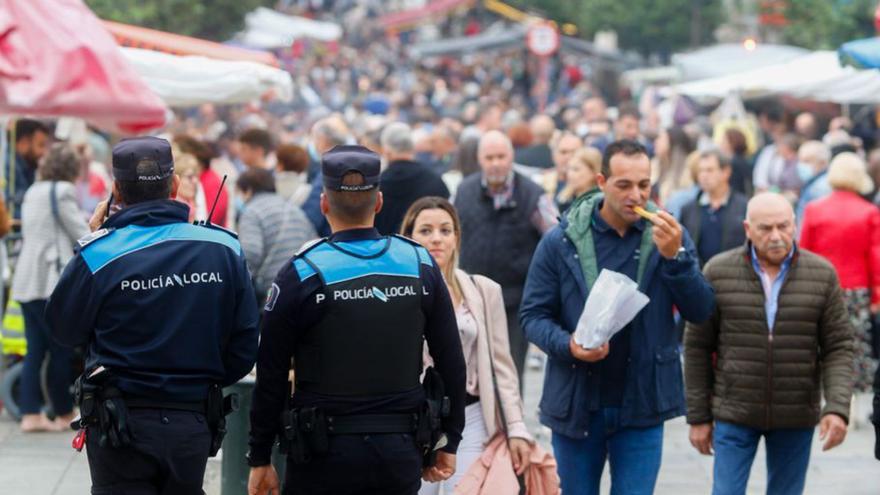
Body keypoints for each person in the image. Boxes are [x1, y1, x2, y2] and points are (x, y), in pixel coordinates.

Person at [247, 145, 466, 495]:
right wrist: (450, 440)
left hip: (322, 453)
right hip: (398, 450)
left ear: (323, 203)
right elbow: (452, 361)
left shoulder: (303, 271)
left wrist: (259, 457)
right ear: (378, 202)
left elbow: (270, 373)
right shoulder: (418, 264)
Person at [45, 136, 260, 494]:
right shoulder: (223, 248)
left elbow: (63, 328)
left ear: (116, 189)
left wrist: (98, 236)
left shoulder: (99, 252)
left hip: (119, 423)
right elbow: (244, 344)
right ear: (175, 185)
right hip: (190, 420)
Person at [520, 139, 714, 495]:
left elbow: (700, 310)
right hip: (578, 400)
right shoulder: (562, 239)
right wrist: (569, 345)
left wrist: (676, 260)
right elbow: (532, 316)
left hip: (642, 402)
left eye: (644, 185)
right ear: (601, 182)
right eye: (623, 185)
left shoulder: (669, 235)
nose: (636, 196)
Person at [684, 192, 853, 495]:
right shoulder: (718, 271)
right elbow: (697, 346)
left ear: (795, 225)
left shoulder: (822, 274)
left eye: (783, 226)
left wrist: (837, 407)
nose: (776, 236)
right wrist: (698, 415)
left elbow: (838, 346)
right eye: (765, 228)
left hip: (796, 412)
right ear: (748, 229)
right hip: (734, 410)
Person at [400, 197, 534, 494]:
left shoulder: (483, 290)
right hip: (414, 418)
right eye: (425, 230)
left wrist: (516, 428)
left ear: (456, 238)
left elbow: (503, 368)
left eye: (445, 230)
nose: (436, 238)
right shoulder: (397, 292)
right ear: (409, 237)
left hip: (471, 415)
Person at [455, 130, 558, 383]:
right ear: (480, 159)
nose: (496, 163)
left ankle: (511, 422)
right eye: (490, 157)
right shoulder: (464, 191)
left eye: (501, 156)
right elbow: (450, 232)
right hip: (473, 296)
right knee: (471, 370)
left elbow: (556, 239)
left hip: (515, 299)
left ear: (511, 157)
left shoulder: (532, 194)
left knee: (509, 370)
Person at [13, 143, 89, 432]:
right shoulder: (62, 192)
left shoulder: (34, 190)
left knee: (35, 350)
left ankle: (30, 413)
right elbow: (81, 234)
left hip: (27, 279)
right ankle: (62, 412)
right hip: (49, 283)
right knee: (60, 349)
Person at [800, 153, 879, 399]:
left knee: (820, 339)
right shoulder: (869, 212)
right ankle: (850, 398)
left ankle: (824, 394)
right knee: (853, 343)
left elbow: (804, 252)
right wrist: (877, 295)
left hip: (819, 287)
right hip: (856, 288)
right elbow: (875, 258)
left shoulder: (814, 209)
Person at [235, 168, 316, 302]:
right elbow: (312, 243)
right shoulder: (293, 208)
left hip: (272, 291)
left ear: (248, 191)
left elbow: (251, 253)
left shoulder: (252, 212)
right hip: (303, 284)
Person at [374, 122, 450, 235]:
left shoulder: (377, 185)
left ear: (387, 151)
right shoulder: (434, 180)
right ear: (413, 148)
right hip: (425, 249)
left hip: (386, 249)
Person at [679, 150, 748, 266]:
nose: (703, 175)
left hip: (731, 276)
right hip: (697, 278)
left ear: (726, 172)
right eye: (701, 171)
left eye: (709, 170)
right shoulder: (688, 209)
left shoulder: (744, 207)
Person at [5, 119, 50, 220]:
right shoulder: (7, 167)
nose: (43, 152)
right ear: (23, 143)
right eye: (40, 145)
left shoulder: (27, 166)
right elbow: (11, 210)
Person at [794, 140, 832, 227]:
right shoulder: (812, 182)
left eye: (807, 161)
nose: (801, 165)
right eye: (800, 161)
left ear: (823, 163)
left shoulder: (822, 187)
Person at [555, 147, 601, 214]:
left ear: (593, 172)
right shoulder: (564, 197)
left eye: (576, 169)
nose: (570, 174)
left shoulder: (600, 202)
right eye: (569, 169)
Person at [719, 127, 753, 197]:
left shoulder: (735, 162)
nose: (721, 143)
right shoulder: (740, 159)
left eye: (724, 140)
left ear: (732, 142)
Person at [173, 153, 207, 223]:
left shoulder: (191, 205)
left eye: (196, 176)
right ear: (176, 180)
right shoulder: (173, 210)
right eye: (189, 177)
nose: (195, 181)